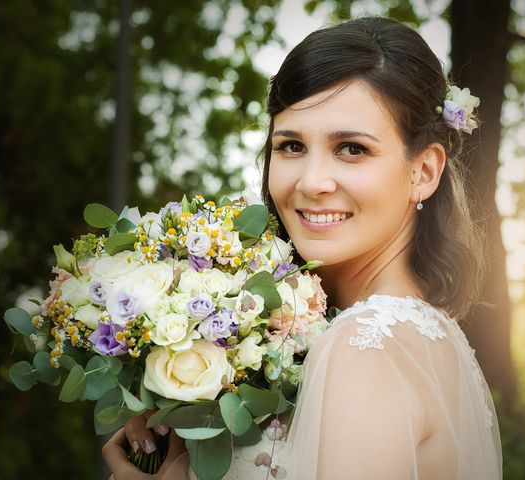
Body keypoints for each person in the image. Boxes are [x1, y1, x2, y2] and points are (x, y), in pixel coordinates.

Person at [103, 16, 502, 479]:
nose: (312, 182)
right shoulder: (416, 339)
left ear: (425, 171)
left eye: (352, 149)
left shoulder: (364, 348)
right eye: (291, 146)